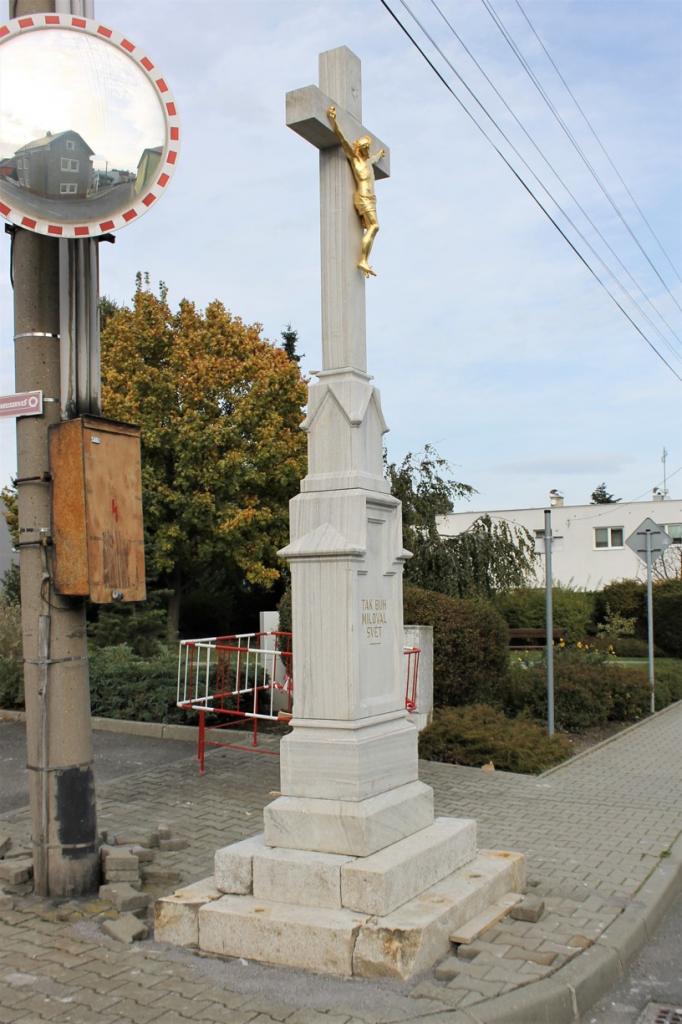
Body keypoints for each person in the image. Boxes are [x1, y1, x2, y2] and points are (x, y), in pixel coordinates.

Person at [327, 105, 385, 278]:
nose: (368, 149)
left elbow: (375, 159)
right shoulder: (356, 160)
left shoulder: (368, 161)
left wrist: (380, 154)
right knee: (375, 226)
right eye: (366, 147)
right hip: (363, 197)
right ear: (360, 148)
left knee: (373, 226)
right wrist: (334, 121)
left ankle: (364, 259)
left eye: (369, 147)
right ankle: (363, 260)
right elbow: (343, 139)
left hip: (371, 198)